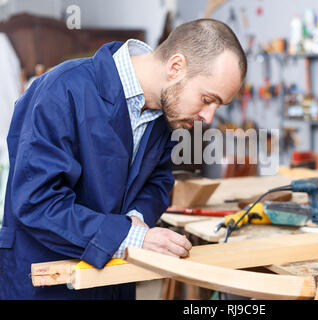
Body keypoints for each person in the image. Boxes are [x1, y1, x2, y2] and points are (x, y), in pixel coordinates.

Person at [0, 18, 247, 300]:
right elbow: (37, 203)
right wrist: (131, 237)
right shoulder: (62, 90)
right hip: (46, 283)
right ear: (176, 66)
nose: (208, 117)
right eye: (206, 99)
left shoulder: (165, 115)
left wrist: (136, 220)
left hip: (113, 280)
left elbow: (157, 183)